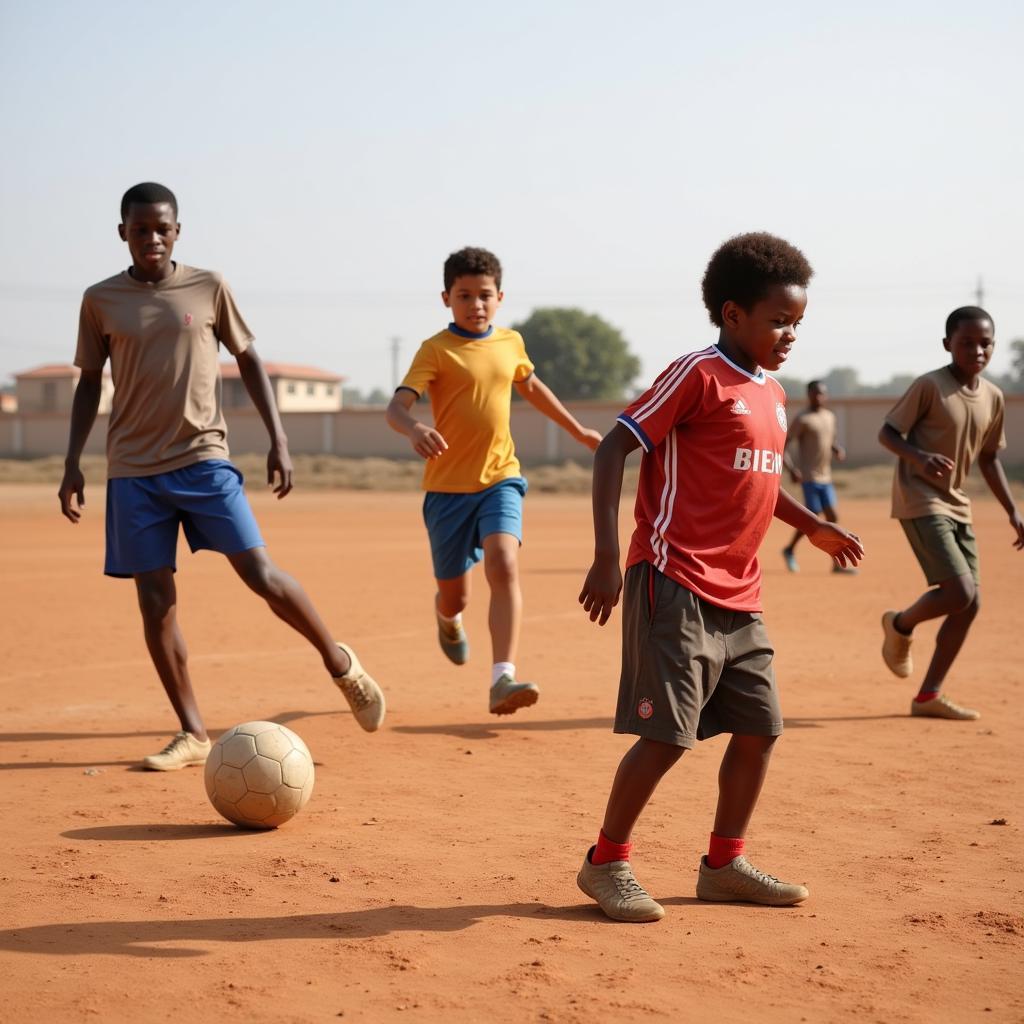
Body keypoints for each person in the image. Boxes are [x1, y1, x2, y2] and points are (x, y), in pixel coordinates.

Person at [575, 232, 864, 923]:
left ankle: (724, 864)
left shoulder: (773, 393)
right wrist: (607, 555)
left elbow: (759, 480)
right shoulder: (696, 375)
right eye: (779, 321)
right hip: (673, 580)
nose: (790, 334)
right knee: (669, 736)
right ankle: (605, 862)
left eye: (798, 323)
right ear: (733, 314)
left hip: (743, 595)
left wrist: (811, 525)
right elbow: (615, 447)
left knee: (760, 729)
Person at [57, 182, 385, 770]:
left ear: (177, 231)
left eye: (162, 228)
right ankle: (191, 732)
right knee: (155, 601)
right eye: (140, 229)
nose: (151, 238)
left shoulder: (209, 287)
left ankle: (340, 663)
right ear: (122, 233)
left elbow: (250, 359)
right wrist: (72, 461)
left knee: (259, 574)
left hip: (204, 459)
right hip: (133, 471)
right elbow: (87, 382)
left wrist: (278, 439)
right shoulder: (100, 300)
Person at [385, 246, 601, 715]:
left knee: (503, 563)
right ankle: (447, 616)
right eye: (464, 295)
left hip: (501, 478)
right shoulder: (435, 350)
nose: (475, 304)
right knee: (455, 592)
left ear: (500, 297)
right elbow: (396, 407)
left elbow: (532, 388)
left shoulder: (511, 343)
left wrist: (578, 430)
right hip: (446, 490)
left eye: (484, 295)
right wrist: (415, 428)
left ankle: (502, 678)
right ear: (446, 298)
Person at [878, 306, 1022, 721]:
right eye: (966, 343)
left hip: (957, 504)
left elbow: (990, 458)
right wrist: (918, 457)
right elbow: (887, 433)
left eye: (985, 343)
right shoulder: (930, 386)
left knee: (970, 604)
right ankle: (900, 625)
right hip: (920, 498)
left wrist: (1013, 511)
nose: (977, 350)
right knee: (959, 592)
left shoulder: (993, 397)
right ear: (948, 345)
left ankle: (927, 697)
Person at [781, 380, 855, 573]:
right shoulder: (803, 419)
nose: (819, 397)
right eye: (815, 394)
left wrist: (836, 448)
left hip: (826, 477)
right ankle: (789, 550)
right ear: (809, 395)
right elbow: (783, 445)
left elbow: (828, 439)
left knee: (832, 516)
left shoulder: (830, 417)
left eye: (822, 393)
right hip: (809, 476)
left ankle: (836, 564)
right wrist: (792, 469)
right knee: (813, 513)